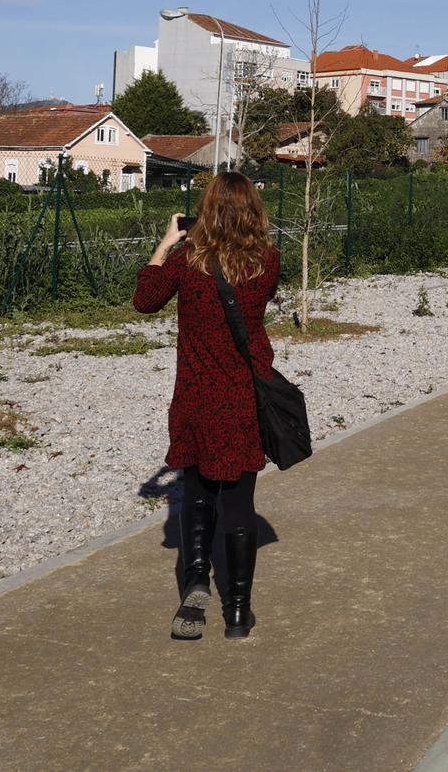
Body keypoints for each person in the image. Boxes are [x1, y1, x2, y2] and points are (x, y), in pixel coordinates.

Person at [134, 172, 282, 641]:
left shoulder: (187, 261)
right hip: (242, 400)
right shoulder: (267, 262)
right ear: (253, 210)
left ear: (208, 210)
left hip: (196, 397)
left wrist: (166, 243)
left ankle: (195, 586)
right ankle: (238, 613)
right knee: (240, 503)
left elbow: (145, 301)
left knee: (196, 494)